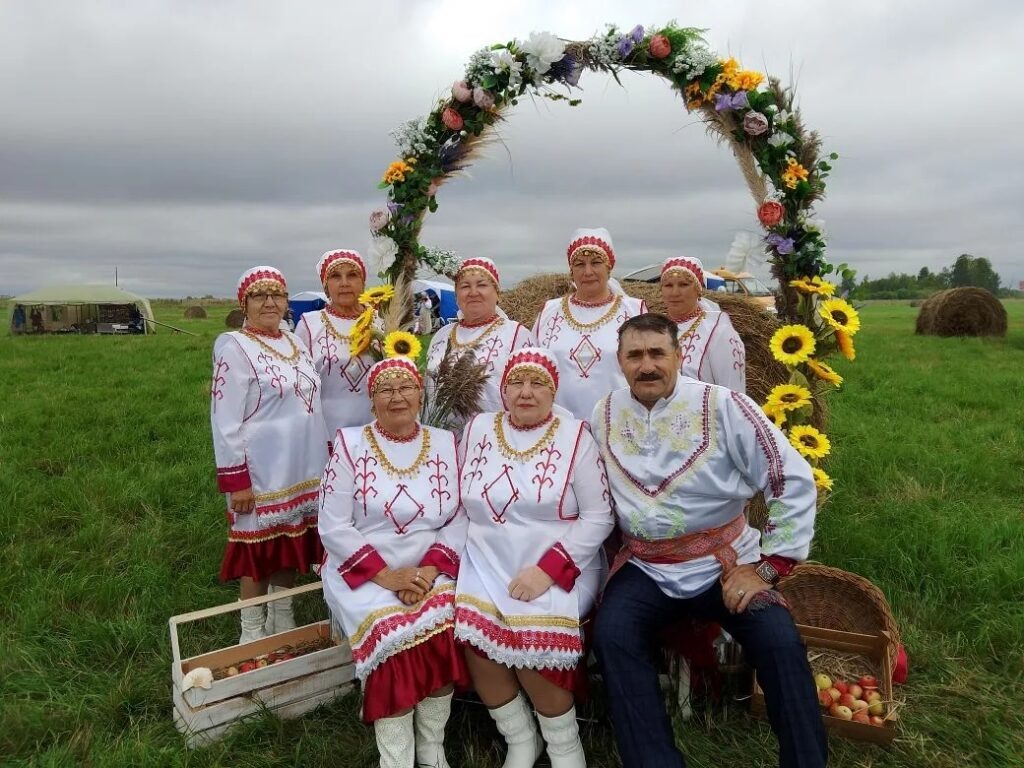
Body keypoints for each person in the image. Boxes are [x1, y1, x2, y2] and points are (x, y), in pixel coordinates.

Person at [591, 313, 827, 768]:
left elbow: (790, 477)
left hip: (725, 562)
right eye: (635, 355)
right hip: (647, 566)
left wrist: (769, 568)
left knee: (779, 640)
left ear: (679, 356)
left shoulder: (725, 406)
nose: (647, 365)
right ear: (620, 362)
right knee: (613, 634)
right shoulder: (604, 413)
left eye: (657, 353)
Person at [455, 348, 614, 768]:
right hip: (485, 556)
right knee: (477, 637)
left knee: (529, 637)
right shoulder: (477, 428)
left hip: (559, 560)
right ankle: (521, 739)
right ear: (503, 390)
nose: (526, 392)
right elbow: (455, 502)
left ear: (553, 390)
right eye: (516, 383)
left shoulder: (575, 436)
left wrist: (548, 571)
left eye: (537, 383)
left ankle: (565, 748)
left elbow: (599, 516)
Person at [319, 357, 468, 768]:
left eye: (406, 387)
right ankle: (397, 759)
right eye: (385, 389)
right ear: (371, 401)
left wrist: (429, 570)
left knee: (444, 627)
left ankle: (431, 747)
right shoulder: (350, 444)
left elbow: (460, 515)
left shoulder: (445, 442)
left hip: (429, 567)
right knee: (392, 647)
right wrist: (387, 576)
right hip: (365, 570)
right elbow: (332, 524)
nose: (397, 396)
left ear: (420, 395)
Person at [210, 266, 330, 642]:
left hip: (301, 465)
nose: (269, 302)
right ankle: (251, 632)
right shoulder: (234, 347)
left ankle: (282, 618)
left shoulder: (295, 343)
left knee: (288, 544)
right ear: (243, 304)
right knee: (257, 549)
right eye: (259, 296)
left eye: (276, 295)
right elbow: (224, 419)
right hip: (260, 469)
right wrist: (237, 480)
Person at [533, 228, 646, 422]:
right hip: (560, 428)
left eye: (596, 263)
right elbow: (534, 368)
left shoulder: (634, 311)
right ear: (571, 270)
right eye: (579, 264)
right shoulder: (549, 312)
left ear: (609, 267)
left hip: (619, 424)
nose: (588, 272)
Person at [425, 257, 534, 430]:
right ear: (456, 295)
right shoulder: (441, 335)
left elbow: (532, 393)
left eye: (482, 285)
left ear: (497, 293)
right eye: (465, 286)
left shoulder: (516, 335)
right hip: (440, 437)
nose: (473, 292)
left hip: (492, 438)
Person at [296, 249, 376, 434]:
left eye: (352, 275)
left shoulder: (382, 321)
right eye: (336, 276)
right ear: (326, 286)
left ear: (363, 283)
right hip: (326, 428)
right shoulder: (309, 325)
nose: (345, 283)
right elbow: (300, 386)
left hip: (376, 426)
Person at [660, 256, 746, 390]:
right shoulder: (654, 329)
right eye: (668, 285)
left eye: (683, 285)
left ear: (698, 290)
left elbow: (732, 391)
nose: (675, 293)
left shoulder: (718, 332)